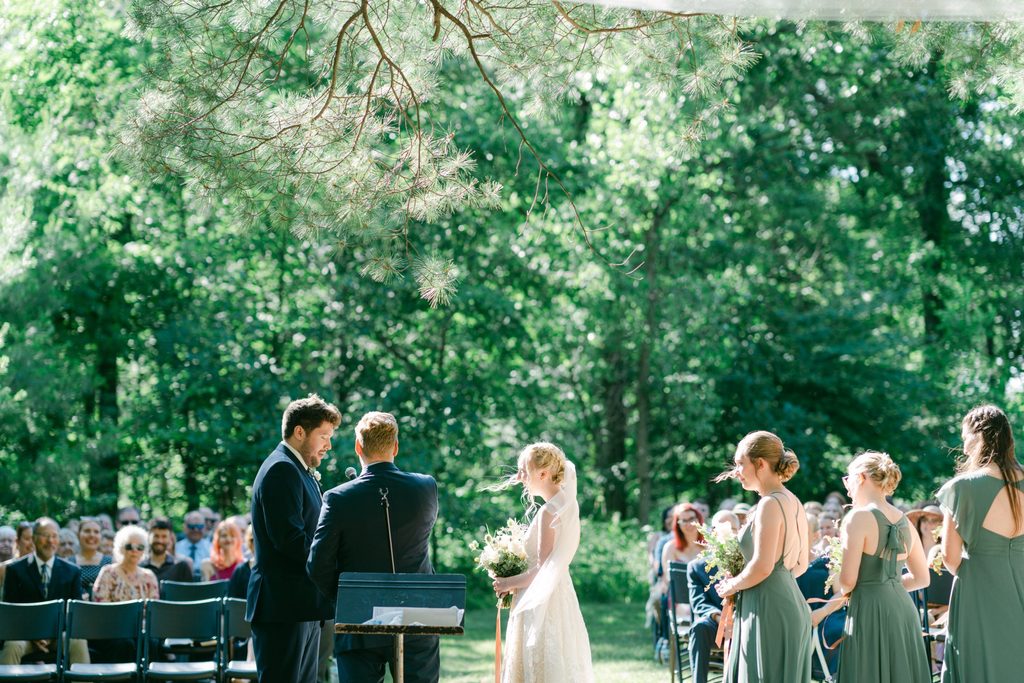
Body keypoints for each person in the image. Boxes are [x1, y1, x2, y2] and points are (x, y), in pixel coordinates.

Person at [308, 411, 440, 683]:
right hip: (419, 613)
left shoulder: (337, 498)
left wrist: (346, 596)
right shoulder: (426, 487)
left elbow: (317, 564)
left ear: (358, 447)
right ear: (395, 447)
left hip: (360, 615)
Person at [248, 394, 341, 683]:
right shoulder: (281, 469)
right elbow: (290, 540)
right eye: (323, 436)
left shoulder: (300, 470)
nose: (328, 445)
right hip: (283, 606)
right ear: (299, 432)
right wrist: (333, 564)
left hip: (302, 604)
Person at [489, 442, 594, 683]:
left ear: (543, 474)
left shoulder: (549, 512)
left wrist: (507, 582)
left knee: (540, 659)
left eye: (523, 471)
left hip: (542, 598)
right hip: (561, 592)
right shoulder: (568, 503)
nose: (519, 478)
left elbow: (542, 570)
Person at [714, 431, 811, 683]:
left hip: (768, 607)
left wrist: (731, 585)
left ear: (760, 464)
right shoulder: (794, 501)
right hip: (788, 600)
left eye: (740, 463)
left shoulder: (769, 504)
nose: (736, 471)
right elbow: (800, 565)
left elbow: (763, 566)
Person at [936, 404, 1024, 683]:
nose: (963, 447)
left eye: (965, 437)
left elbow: (950, 557)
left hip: (978, 588)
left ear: (980, 435)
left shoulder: (961, 488)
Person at [830, 451, 930, 682]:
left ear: (862, 477)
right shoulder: (906, 521)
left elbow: (847, 582)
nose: (847, 485)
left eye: (848, 478)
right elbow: (922, 579)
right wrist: (887, 584)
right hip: (903, 611)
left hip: (869, 609)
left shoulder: (857, 518)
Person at [0, 518, 90, 666]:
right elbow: (11, 613)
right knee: (12, 646)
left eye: (54, 536)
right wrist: (33, 634)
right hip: (25, 636)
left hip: (57, 636)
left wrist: (52, 634)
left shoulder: (72, 571)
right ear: (34, 538)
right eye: (44, 536)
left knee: (78, 642)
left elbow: (74, 615)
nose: (50, 541)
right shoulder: (15, 571)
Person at [93, 525, 160, 602]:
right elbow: (100, 605)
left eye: (140, 547)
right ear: (121, 548)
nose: (135, 550)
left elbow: (154, 608)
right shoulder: (108, 572)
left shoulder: (149, 576)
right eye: (129, 546)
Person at [687, 550, 723, 683]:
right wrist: (719, 618)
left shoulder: (749, 561)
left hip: (746, 619)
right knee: (699, 627)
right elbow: (699, 603)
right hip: (715, 622)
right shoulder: (697, 567)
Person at [140, 517, 193, 593]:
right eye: (156, 536)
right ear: (148, 536)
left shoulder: (181, 567)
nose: (160, 540)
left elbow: (189, 597)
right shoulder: (140, 567)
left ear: (169, 538)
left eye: (164, 536)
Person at [76, 517, 112, 599]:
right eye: (87, 531)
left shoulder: (110, 562)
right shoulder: (69, 563)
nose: (92, 535)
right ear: (78, 534)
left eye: (96, 532)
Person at [178, 510, 212, 581]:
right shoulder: (176, 548)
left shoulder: (212, 549)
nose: (196, 530)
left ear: (204, 528)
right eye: (191, 526)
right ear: (185, 527)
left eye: (199, 526)